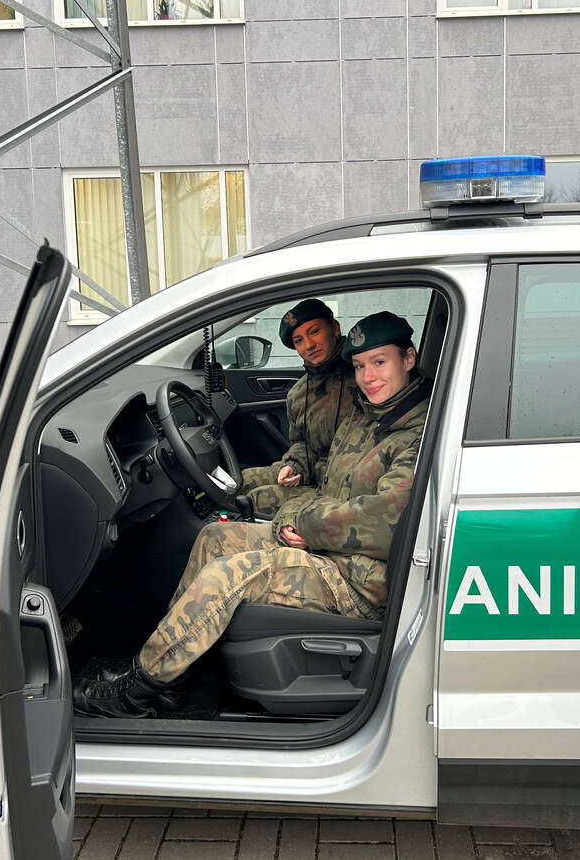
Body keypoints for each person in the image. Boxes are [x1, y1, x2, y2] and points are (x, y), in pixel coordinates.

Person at [74, 311, 431, 718]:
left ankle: (139, 691)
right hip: (330, 549)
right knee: (214, 538)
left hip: (359, 579)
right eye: (360, 366)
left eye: (380, 362)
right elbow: (325, 481)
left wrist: (303, 524)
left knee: (225, 576)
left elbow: (386, 522)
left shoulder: (416, 433)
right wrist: (293, 514)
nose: (368, 376)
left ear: (408, 358)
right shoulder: (366, 414)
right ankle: (178, 670)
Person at [239, 297, 358, 516]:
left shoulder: (365, 376)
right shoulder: (299, 393)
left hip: (345, 485)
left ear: (335, 328)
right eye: (299, 340)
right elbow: (301, 443)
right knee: (240, 481)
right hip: (313, 472)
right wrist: (293, 465)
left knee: (255, 499)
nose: (309, 345)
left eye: (315, 332)